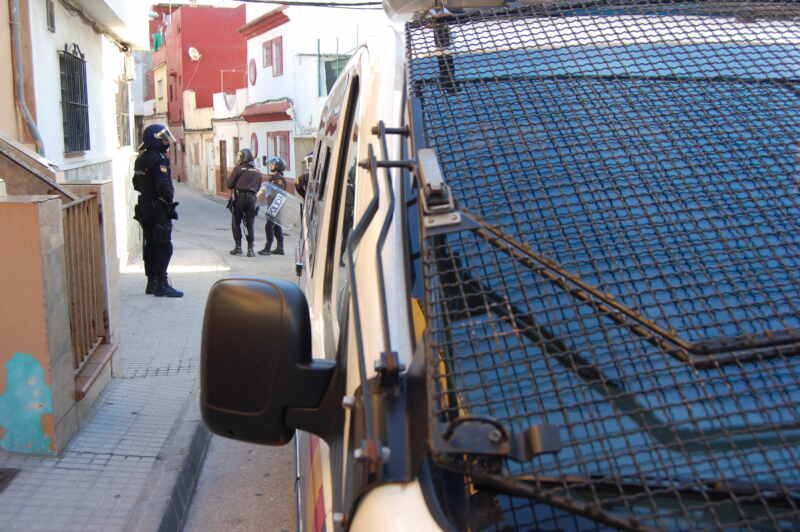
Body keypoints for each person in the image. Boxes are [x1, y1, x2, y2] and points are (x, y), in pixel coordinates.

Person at [132, 124, 183, 298]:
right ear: (154, 139)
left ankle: (151, 282)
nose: (165, 142)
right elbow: (164, 187)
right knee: (164, 246)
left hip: (144, 206)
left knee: (150, 245)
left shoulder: (141, 158)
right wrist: (168, 202)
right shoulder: (159, 159)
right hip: (157, 208)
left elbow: (136, 184)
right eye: (162, 138)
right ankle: (161, 283)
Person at [226, 148, 262, 257]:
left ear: (244, 158)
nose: (238, 159)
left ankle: (238, 247)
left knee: (236, 222)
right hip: (252, 199)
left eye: (240, 156)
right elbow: (258, 187)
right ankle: (250, 249)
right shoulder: (257, 172)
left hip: (239, 198)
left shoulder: (238, 169)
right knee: (249, 224)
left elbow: (230, 184)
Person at [258, 156, 288, 256]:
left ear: (278, 166)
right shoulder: (274, 178)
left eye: (272, 164)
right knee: (277, 227)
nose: (270, 166)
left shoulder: (279, 179)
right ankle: (280, 248)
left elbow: (278, 193)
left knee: (269, 227)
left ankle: (267, 248)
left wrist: (267, 189)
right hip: (273, 205)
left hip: (276, 205)